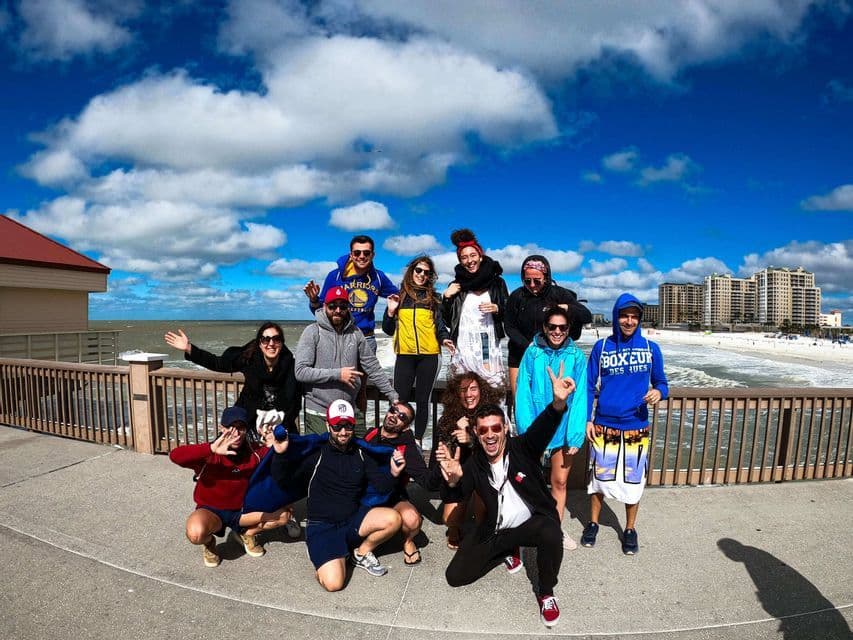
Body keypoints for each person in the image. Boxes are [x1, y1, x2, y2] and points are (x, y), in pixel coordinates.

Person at [436, 362, 577, 628]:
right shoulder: (475, 464)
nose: (490, 435)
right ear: (477, 435)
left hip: (529, 525)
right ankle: (506, 551)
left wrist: (557, 404)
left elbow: (543, 427)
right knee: (456, 576)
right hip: (497, 531)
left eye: (496, 429)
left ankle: (546, 592)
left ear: (505, 430)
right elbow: (457, 492)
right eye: (483, 430)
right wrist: (454, 480)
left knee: (550, 530)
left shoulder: (523, 448)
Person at [269, 400, 404, 592]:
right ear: (327, 425)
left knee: (393, 519)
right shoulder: (316, 453)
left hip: (353, 521)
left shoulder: (361, 453)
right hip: (323, 527)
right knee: (334, 584)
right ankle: (325, 554)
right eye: (337, 426)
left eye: (347, 425)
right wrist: (280, 455)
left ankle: (360, 553)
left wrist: (394, 473)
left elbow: (381, 486)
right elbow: (284, 481)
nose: (343, 431)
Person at [581, 293, 669, 555]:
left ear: (639, 320)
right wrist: (587, 418)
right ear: (616, 316)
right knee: (599, 479)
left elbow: (662, 382)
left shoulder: (651, 349)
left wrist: (659, 393)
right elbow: (588, 385)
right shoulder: (602, 347)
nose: (628, 321)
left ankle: (630, 529)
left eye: (634, 316)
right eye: (624, 315)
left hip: (636, 426)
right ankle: (593, 523)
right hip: (604, 425)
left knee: (633, 481)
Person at [168, 406, 294, 567]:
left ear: (246, 430)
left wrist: (276, 448)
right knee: (195, 533)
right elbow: (175, 456)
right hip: (212, 511)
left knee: (284, 514)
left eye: (240, 428)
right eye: (230, 427)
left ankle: (247, 534)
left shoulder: (254, 451)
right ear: (222, 428)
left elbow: (286, 466)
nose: (235, 433)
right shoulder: (209, 452)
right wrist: (211, 449)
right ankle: (209, 543)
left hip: (243, 512)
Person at [515, 305, 587, 551]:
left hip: (564, 427)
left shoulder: (576, 357)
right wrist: (527, 431)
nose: (557, 331)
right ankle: (528, 529)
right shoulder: (532, 353)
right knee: (529, 483)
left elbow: (580, 399)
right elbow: (523, 393)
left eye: (562, 327)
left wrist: (575, 435)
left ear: (569, 329)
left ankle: (554, 530)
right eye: (552, 326)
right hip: (536, 426)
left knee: (559, 483)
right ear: (544, 327)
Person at [295, 286, 399, 438]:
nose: (337, 310)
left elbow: (373, 367)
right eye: (332, 306)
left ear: (348, 308)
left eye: (342, 306)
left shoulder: (356, 333)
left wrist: (392, 395)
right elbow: (300, 371)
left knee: (362, 453)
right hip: (319, 411)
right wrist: (338, 374)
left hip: (349, 409)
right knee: (323, 458)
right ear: (324, 306)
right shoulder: (312, 332)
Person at [164, 322, 301, 435]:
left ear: (281, 343)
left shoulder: (291, 366)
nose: (271, 344)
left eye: (276, 339)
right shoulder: (249, 359)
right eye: (266, 339)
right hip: (248, 420)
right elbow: (217, 363)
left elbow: (294, 403)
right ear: (260, 343)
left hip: (279, 425)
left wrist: (278, 427)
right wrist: (189, 348)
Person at [382, 255, 455, 448]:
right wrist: (390, 312)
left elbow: (439, 326)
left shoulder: (434, 298)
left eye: (426, 272)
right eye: (419, 270)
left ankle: (417, 441)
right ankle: (396, 439)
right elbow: (388, 330)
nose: (422, 275)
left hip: (429, 356)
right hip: (404, 355)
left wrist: (445, 339)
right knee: (399, 401)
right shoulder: (399, 296)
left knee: (423, 400)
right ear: (411, 271)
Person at [363, 401, 443, 565]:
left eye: (402, 417)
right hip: (366, 495)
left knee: (413, 521)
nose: (394, 416)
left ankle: (407, 541)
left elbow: (427, 482)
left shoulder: (407, 448)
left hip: (392, 497)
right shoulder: (371, 434)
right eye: (393, 411)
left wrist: (442, 465)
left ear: (406, 426)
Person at [431, 371, 504, 549]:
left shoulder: (490, 415)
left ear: (482, 391)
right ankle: (456, 528)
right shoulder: (447, 420)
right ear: (457, 394)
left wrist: (471, 439)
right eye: (463, 390)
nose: (469, 394)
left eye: (473, 389)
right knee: (449, 518)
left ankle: (483, 528)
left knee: (482, 511)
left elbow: (498, 450)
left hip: (484, 472)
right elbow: (442, 454)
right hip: (460, 475)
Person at [504, 254, 592, 396]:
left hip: (552, 356)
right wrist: (529, 346)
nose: (532, 285)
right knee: (520, 401)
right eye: (527, 281)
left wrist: (567, 307)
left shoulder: (559, 294)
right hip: (519, 355)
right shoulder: (517, 296)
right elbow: (509, 326)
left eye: (537, 281)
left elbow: (586, 316)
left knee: (549, 400)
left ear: (546, 278)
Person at [303, 234, 398, 353]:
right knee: (337, 372)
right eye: (357, 253)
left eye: (366, 253)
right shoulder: (335, 276)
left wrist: (390, 315)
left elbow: (400, 297)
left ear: (373, 255)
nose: (362, 256)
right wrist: (313, 300)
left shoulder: (378, 277)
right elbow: (321, 312)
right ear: (351, 255)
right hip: (339, 338)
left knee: (369, 372)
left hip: (366, 339)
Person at [441, 228, 509, 389]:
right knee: (464, 389)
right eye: (464, 257)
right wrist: (446, 298)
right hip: (464, 344)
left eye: (473, 255)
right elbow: (446, 319)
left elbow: (509, 313)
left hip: (487, 342)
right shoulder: (456, 285)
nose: (469, 261)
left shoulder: (497, 282)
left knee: (490, 386)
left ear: (480, 256)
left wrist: (497, 308)